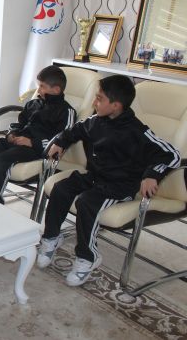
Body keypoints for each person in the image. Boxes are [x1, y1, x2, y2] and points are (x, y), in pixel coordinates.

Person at [37, 75, 180, 286]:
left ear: (116, 105)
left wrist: (152, 174)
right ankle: (51, 237)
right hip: (95, 177)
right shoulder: (95, 121)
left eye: (99, 98)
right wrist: (60, 141)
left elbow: (172, 154)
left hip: (119, 185)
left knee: (86, 203)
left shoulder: (137, 131)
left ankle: (88, 257)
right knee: (61, 188)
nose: (94, 102)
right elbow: (74, 130)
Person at [0, 65, 76, 204]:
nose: (38, 90)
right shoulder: (33, 104)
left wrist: (31, 142)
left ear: (56, 90)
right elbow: (20, 124)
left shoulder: (66, 111)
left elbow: (61, 140)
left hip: (36, 150)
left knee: (1, 159)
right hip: (18, 143)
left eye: (42, 86)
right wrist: (11, 134)